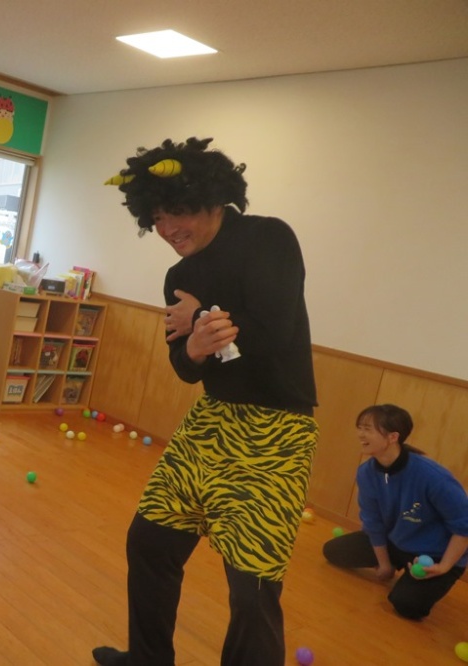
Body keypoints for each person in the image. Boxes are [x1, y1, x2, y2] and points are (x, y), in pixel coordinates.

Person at [96, 137, 319, 666]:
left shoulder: (268, 237)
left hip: (278, 429)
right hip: (213, 421)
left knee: (252, 584)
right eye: (156, 217)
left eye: (176, 211)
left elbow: (273, 333)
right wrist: (195, 346)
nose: (167, 228)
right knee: (150, 543)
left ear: (212, 199)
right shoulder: (179, 276)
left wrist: (201, 321)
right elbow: (184, 366)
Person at [323, 404, 468, 620]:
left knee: (406, 605)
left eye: (368, 429)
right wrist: (384, 564)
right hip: (396, 542)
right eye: (360, 428)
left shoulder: (432, 476)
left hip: (436, 555)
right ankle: (399, 567)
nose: (361, 434)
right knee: (333, 551)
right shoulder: (366, 473)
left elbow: (464, 525)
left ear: (393, 437)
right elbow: (373, 521)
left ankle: (421, 583)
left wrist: (444, 566)